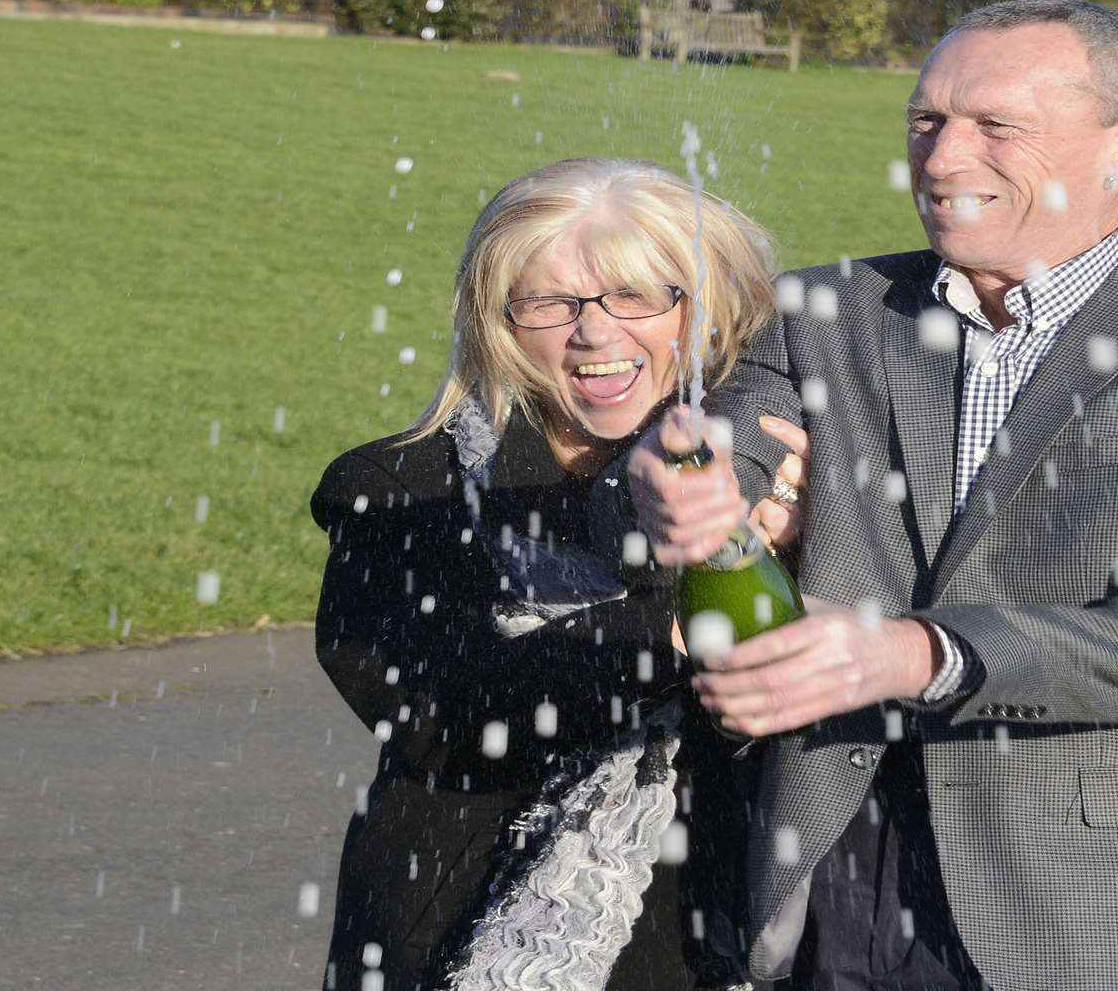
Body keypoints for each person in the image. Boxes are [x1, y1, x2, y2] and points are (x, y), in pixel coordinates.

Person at [624, 0, 1118, 990]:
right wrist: (691, 482)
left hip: (1079, 909)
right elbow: (732, 447)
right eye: (925, 121)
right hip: (827, 871)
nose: (939, 158)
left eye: (993, 127)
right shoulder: (823, 313)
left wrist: (918, 652)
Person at [309, 157, 808, 991]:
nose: (596, 333)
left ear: (707, 310)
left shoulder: (777, 470)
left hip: (707, 933)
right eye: (548, 304)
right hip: (459, 927)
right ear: (495, 320)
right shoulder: (401, 491)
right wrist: (685, 625)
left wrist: (785, 543)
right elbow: (442, 717)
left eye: (638, 296)